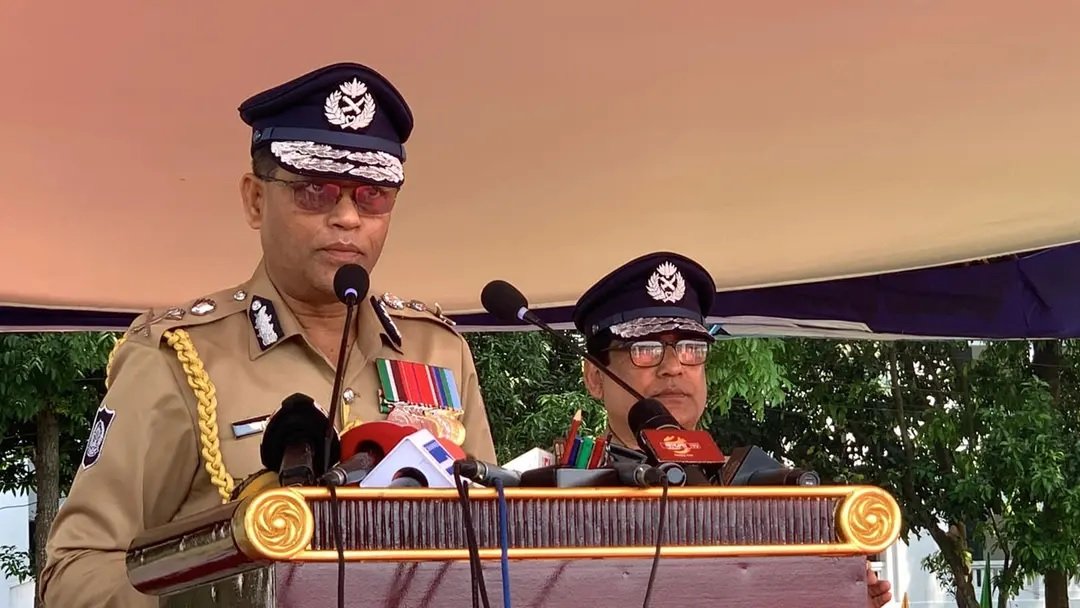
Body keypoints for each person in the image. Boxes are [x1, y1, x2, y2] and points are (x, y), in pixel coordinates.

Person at [41, 62, 496, 607]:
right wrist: (230, 596)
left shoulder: (439, 349)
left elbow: (495, 542)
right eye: (315, 191)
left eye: (373, 195)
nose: (348, 218)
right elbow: (75, 572)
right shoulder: (180, 358)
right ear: (256, 200)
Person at [571, 250, 893, 608]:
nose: (674, 367)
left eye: (691, 348)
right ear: (595, 377)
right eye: (645, 349)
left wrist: (842, 595)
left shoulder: (767, 491)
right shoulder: (558, 502)